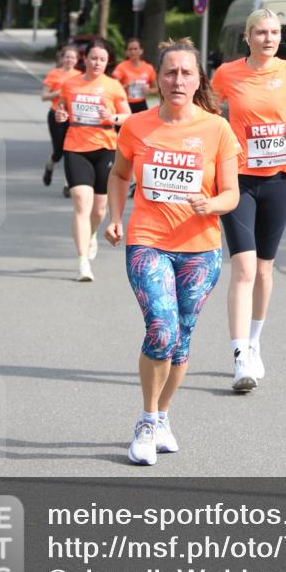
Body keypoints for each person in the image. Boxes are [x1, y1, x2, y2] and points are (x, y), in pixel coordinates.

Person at [105, 38, 240, 465]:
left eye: (186, 73)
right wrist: (113, 216)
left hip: (201, 248)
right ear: (157, 78)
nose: (177, 79)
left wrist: (212, 204)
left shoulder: (217, 129)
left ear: (198, 79)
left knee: (181, 340)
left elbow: (233, 193)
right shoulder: (136, 126)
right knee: (160, 329)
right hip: (148, 240)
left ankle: (163, 415)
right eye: (170, 72)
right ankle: (146, 420)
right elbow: (119, 174)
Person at [211, 8, 286, 392]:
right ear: (247, 37)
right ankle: (238, 357)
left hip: (279, 180)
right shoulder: (227, 74)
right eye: (261, 32)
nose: (269, 38)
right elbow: (208, 116)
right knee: (244, 269)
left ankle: (254, 340)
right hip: (238, 182)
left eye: (275, 32)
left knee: (265, 271)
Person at [55, 39, 132, 281]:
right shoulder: (70, 84)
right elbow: (61, 109)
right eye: (93, 58)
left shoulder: (113, 86)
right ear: (84, 59)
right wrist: (60, 114)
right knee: (81, 202)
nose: (97, 62)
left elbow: (128, 117)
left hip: (105, 148)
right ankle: (82, 263)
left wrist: (112, 116)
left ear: (108, 62)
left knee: (99, 209)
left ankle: (91, 235)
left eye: (102, 59)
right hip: (76, 147)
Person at [41, 45, 79, 191]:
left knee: (71, 151)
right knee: (59, 152)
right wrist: (59, 92)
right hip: (56, 115)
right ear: (62, 58)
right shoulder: (54, 74)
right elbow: (43, 96)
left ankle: (68, 184)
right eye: (67, 57)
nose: (70, 60)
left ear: (77, 60)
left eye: (73, 57)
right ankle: (49, 166)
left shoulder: (80, 76)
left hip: (73, 117)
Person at [112, 38, 158, 113]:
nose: (133, 51)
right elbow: (112, 88)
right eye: (130, 49)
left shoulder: (148, 68)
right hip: (125, 104)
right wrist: (126, 86)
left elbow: (156, 89)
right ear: (126, 52)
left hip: (141, 104)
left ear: (141, 51)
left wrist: (148, 91)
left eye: (135, 49)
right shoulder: (121, 67)